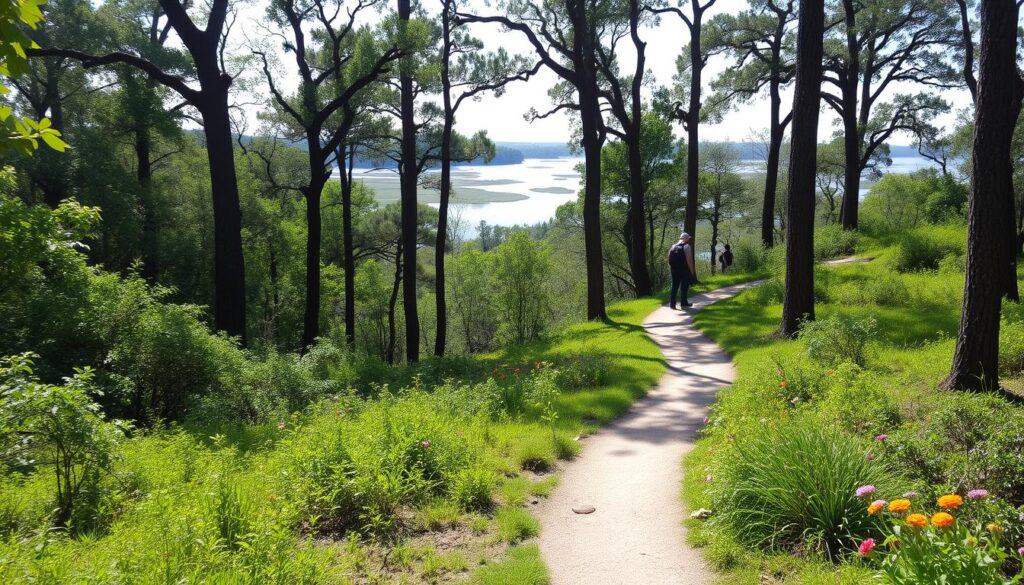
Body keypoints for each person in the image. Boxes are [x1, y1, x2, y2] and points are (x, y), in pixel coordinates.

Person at [667, 232, 696, 309]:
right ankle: (684, 303)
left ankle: (672, 304)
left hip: (674, 270)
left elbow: (669, 258)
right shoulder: (687, 246)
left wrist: (672, 268)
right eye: (688, 239)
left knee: (674, 286)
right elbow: (689, 260)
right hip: (684, 270)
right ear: (686, 239)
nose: (689, 240)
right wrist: (692, 271)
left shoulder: (673, 246)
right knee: (684, 287)